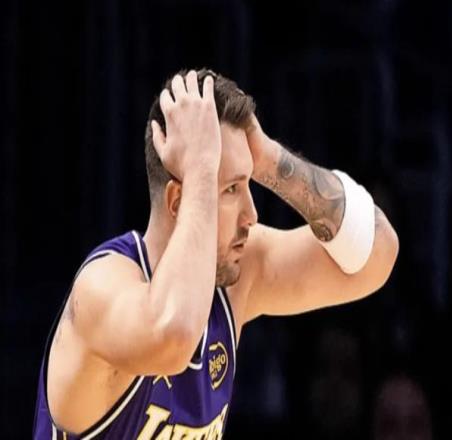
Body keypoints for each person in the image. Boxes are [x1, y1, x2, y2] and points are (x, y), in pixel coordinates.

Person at [33, 68, 399, 439]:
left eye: (248, 183)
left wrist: (271, 161)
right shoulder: (100, 287)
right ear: (178, 200)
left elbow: (377, 253)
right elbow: (173, 337)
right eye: (230, 190)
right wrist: (201, 169)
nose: (251, 214)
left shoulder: (236, 274)